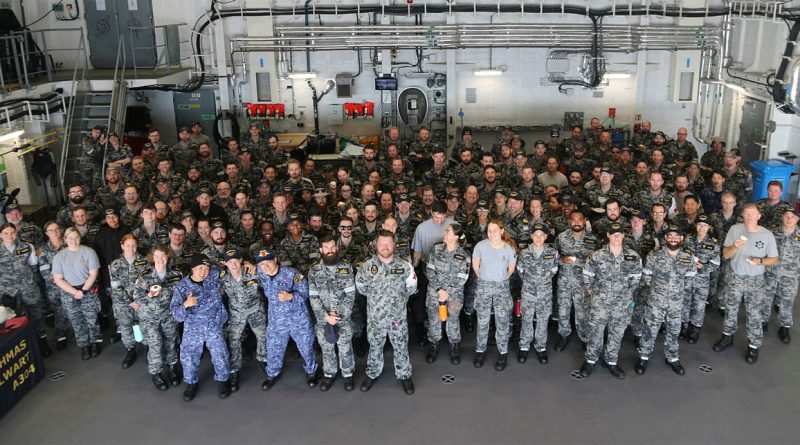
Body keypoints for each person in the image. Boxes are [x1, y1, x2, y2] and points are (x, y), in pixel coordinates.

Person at [713, 204, 778, 364]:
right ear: (743, 215)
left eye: (752, 214)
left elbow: (774, 259)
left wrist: (761, 261)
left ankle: (753, 346)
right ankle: (727, 337)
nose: (749, 217)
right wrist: (735, 246)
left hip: (755, 280)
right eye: (746, 214)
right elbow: (726, 255)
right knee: (731, 309)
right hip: (735, 277)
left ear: (759, 216)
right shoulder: (735, 230)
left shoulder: (767, 235)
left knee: (754, 313)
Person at [356, 230, 418, 395]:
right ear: (376, 245)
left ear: (394, 245)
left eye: (389, 243)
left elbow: (412, 288)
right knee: (375, 346)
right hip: (376, 318)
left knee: (401, 347)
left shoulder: (405, 266)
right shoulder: (367, 266)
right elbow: (361, 288)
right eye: (382, 243)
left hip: (397, 318)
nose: (385, 247)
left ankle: (404, 375)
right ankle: (372, 373)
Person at [579, 223, 642, 379]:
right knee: (595, 332)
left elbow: (636, 279)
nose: (616, 237)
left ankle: (611, 361)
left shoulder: (632, 256)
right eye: (613, 234)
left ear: (623, 236)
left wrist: (625, 294)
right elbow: (587, 276)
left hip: (622, 305)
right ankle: (590, 360)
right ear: (608, 235)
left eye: (619, 234)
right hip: (600, 304)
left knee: (616, 333)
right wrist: (596, 294)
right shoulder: (597, 255)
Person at [635, 225, 696, 376]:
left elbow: (690, 278)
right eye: (670, 236)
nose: (673, 239)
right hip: (656, 301)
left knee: (674, 331)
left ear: (681, 238)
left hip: (676, 302)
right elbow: (647, 276)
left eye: (677, 236)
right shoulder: (654, 256)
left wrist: (676, 291)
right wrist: (658, 291)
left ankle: (672, 357)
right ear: (666, 238)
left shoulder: (688, 257)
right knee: (650, 329)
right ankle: (643, 356)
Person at [255, 248, 319, 391]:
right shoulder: (261, 273)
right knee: (273, 348)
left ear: (276, 259)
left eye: (268, 262)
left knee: (306, 347)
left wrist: (291, 296)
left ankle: (311, 371)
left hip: (298, 319)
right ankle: (272, 374)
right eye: (261, 264)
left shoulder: (292, 274)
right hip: (277, 321)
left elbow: (305, 292)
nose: (266, 266)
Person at [170, 253, 231, 401]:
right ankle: (191, 383)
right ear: (192, 268)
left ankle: (223, 380)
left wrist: (247, 263)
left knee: (220, 354)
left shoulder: (213, 275)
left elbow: (230, 264)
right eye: (199, 268)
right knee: (189, 357)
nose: (203, 271)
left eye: (206, 268)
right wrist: (186, 304)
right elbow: (175, 314)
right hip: (193, 328)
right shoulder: (182, 287)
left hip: (214, 325)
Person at [308, 234, 357, 391]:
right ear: (321, 250)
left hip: (343, 318)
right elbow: (313, 297)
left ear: (336, 248)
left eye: (332, 247)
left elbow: (350, 295)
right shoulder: (314, 270)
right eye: (326, 248)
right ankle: (329, 373)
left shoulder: (346, 267)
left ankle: (348, 373)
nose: (329, 250)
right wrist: (326, 316)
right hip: (324, 320)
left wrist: (338, 316)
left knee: (345, 347)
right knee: (327, 348)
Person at [134, 245, 183, 390]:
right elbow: (137, 296)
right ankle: (156, 373)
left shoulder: (176, 274)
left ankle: (173, 368)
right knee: (155, 345)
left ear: (167, 256)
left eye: (163, 255)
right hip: (150, 317)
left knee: (171, 342)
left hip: (169, 316)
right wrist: (148, 295)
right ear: (152, 258)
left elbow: (182, 294)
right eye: (157, 256)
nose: (160, 259)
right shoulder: (145, 275)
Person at [471, 220, 517, 371]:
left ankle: (502, 353)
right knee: (483, 321)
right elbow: (476, 267)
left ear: (502, 231)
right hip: (484, 286)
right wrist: (487, 279)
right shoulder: (480, 246)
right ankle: (480, 351)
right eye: (489, 230)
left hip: (501, 287)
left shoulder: (509, 248)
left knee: (502, 322)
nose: (491, 233)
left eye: (495, 230)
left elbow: (510, 270)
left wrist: (499, 279)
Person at [52, 227, 102, 360]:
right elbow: (58, 279)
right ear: (65, 239)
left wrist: (83, 290)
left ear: (80, 238)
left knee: (92, 318)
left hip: (88, 290)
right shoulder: (59, 256)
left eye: (76, 237)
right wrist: (75, 292)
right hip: (69, 293)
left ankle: (95, 342)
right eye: (70, 238)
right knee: (76, 321)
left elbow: (93, 274)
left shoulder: (89, 252)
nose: (74, 241)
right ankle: (84, 345)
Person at [221, 248, 267, 392]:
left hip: (255, 311)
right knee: (234, 340)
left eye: (236, 260)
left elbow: (269, 283)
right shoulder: (222, 277)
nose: (233, 264)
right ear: (225, 263)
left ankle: (263, 360)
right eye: (230, 262)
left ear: (241, 260)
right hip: (236, 314)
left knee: (263, 336)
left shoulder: (253, 272)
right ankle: (234, 370)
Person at [0, 223, 50, 356]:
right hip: (8, 293)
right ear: (0, 235)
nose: (10, 236)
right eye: (6, 233)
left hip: (29, 288)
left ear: (16, 233)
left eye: (12, 232)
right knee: (15, 320)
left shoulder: (27, 247)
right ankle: (24, 348)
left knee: (36, 316)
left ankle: (42, 342)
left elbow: (34, 266)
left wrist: (31, 282)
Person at [424, 223, 471, 365]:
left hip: (454, 295)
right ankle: (434, 344)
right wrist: (439, 290)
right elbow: (429, 270)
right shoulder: (436, 249)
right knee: (434, 318)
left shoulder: (464, 255)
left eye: (448, 231)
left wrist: (447, 292)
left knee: (453, 319)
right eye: (445, 231)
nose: (444, 233)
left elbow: (463, 276)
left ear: (456, 236)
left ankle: (454, 345)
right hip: (434, 292)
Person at [553, 210, 599, 351]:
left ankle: (584, 338)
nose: (577, 222)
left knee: (583, 312)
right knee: (563, 311)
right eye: (574, 219)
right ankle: (563, 335)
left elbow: (599, 261)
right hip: (565, 282)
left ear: (584, 221)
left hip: (583, 284)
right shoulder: (561, 237)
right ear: (569, 221)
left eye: (580, 219)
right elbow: (553, 257)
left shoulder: (594, 239)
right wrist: (562, 259)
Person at [517, 222, 560, 365]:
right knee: (527, 320)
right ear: (531, 236)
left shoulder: (552, 252)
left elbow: (554, 271)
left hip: (545, 293)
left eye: (541, 235)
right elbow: (520, 271)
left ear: (546, 237)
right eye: (536, 235)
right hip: (528, 293)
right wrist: (532, 283)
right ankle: (524, 346)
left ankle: (541, 347)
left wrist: (541, 282)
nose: (538, 238)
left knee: (542, 321)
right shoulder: (524, 252)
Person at [108, 234, 148, 369]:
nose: (131, 248)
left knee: (146, 326)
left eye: (133, 245)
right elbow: (116, 287)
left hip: (141, 302)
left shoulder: (144, 262)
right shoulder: (115, 265)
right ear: (122, 246)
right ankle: (130, 351)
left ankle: (149, 349)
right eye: (128, 245)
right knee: (125, 327)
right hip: (123, 303)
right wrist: (130, 302)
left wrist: (139, 301)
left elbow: (148, 283)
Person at [762, 208, 800, 344]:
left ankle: (784, 327)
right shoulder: (772, 232)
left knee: (787, 302)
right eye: (786, 216)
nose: (789, 219)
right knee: (765, 298)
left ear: (797, 219)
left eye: (793, 217)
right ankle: (762, 321)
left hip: (790, 276)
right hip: (770, 272)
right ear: (782, 217)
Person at [683, 215, 720, 343]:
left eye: (705, 225)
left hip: (702, 279)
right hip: (687, 278)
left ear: (709, 227)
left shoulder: (713, 243)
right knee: (685, 303)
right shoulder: (687, 239)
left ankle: (695, 329)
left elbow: (715, 264)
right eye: (699, 224)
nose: (702, 227)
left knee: (699, 305)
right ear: (695, 225)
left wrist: (703, 267)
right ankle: (684, 326)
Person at [38, 221, 70, 351]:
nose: (55, 232)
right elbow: (45, 271)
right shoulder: (43, 250)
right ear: (46, 233)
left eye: (57, 229)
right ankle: (61, 337)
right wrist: (60, 281)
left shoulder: (69, 243)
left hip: (73, 285)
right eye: (51, 230)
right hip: (54, 288)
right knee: (59, 313)